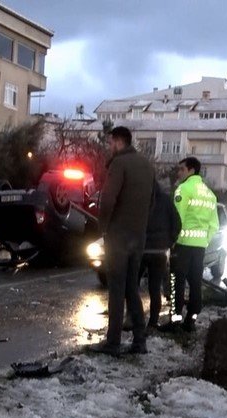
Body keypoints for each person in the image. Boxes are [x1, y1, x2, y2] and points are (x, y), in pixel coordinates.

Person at [89, 125, 154, 356]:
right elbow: (152, 200)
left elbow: (107, 200)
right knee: (131, 288)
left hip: (118, 236)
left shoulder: (119, 164)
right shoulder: (146, 165)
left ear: (118, 141)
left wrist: (103, 227)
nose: (109, 147)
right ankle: (139, 340)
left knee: (116, 289)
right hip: (138, 236)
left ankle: (113, 342)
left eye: (110, 143)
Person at [169, 157, 219, 332]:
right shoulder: (210, 195)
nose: (179, 172)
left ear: (191, 171)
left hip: (182, 244)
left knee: (177, 280)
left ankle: (175, 320)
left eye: (182, 169)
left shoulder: (183, 189)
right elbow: (214, 225)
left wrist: (172, 241)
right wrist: (204, 240)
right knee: (196, 282)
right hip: (200, 246)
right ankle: (191, 320)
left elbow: (177, 218)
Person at [144, 179, 181, 328]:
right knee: (154, 288)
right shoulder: (166, 200)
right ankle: (153, 322)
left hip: (140, 249)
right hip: (159, 251)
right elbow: (177, 223)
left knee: (131, 287)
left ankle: (134, 319)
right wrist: (170, 241)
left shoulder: (139, 199)